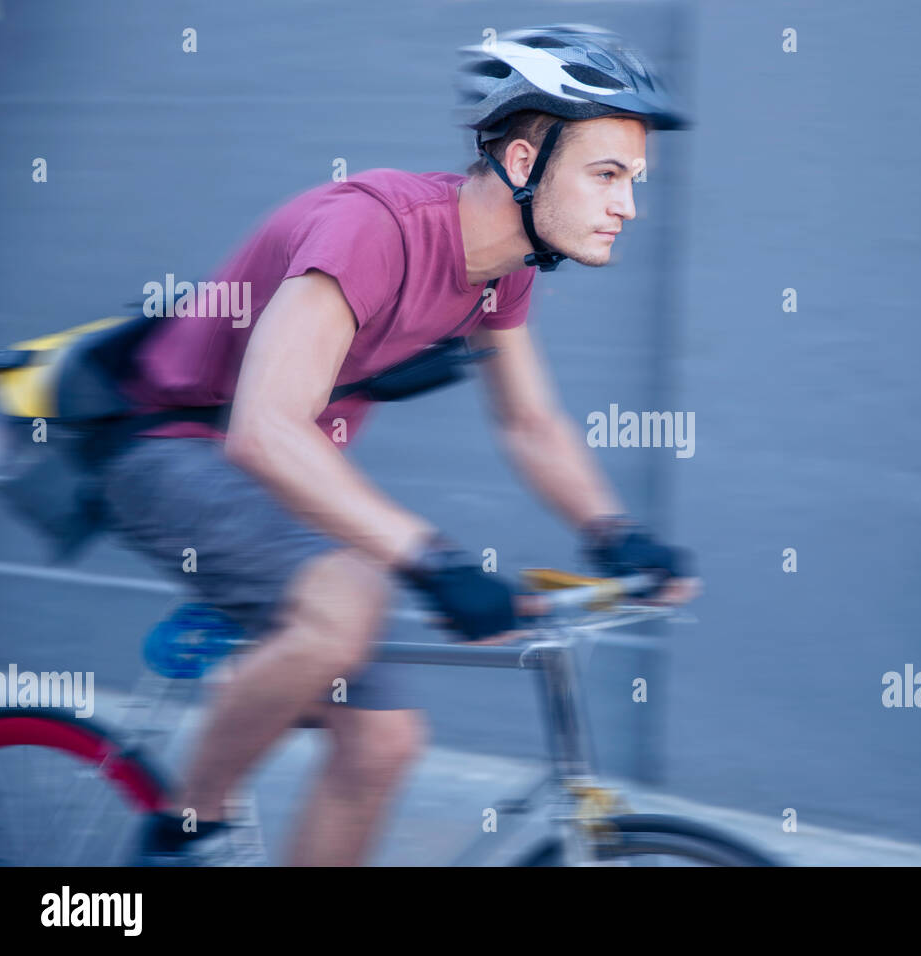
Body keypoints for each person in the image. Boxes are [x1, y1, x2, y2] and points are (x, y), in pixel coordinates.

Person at [116, 23, 698, 866]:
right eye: (607, 175)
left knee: (383, 746)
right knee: (351, 596)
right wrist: (433, 561)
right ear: (525, 164)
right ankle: (180, 837)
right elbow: (265, 427)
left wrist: (616, 533)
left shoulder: (504, 267)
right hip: (171, 447)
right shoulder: (374, 228)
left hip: (275, 486)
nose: (627, 206)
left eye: (634, 180)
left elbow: (528, 423)